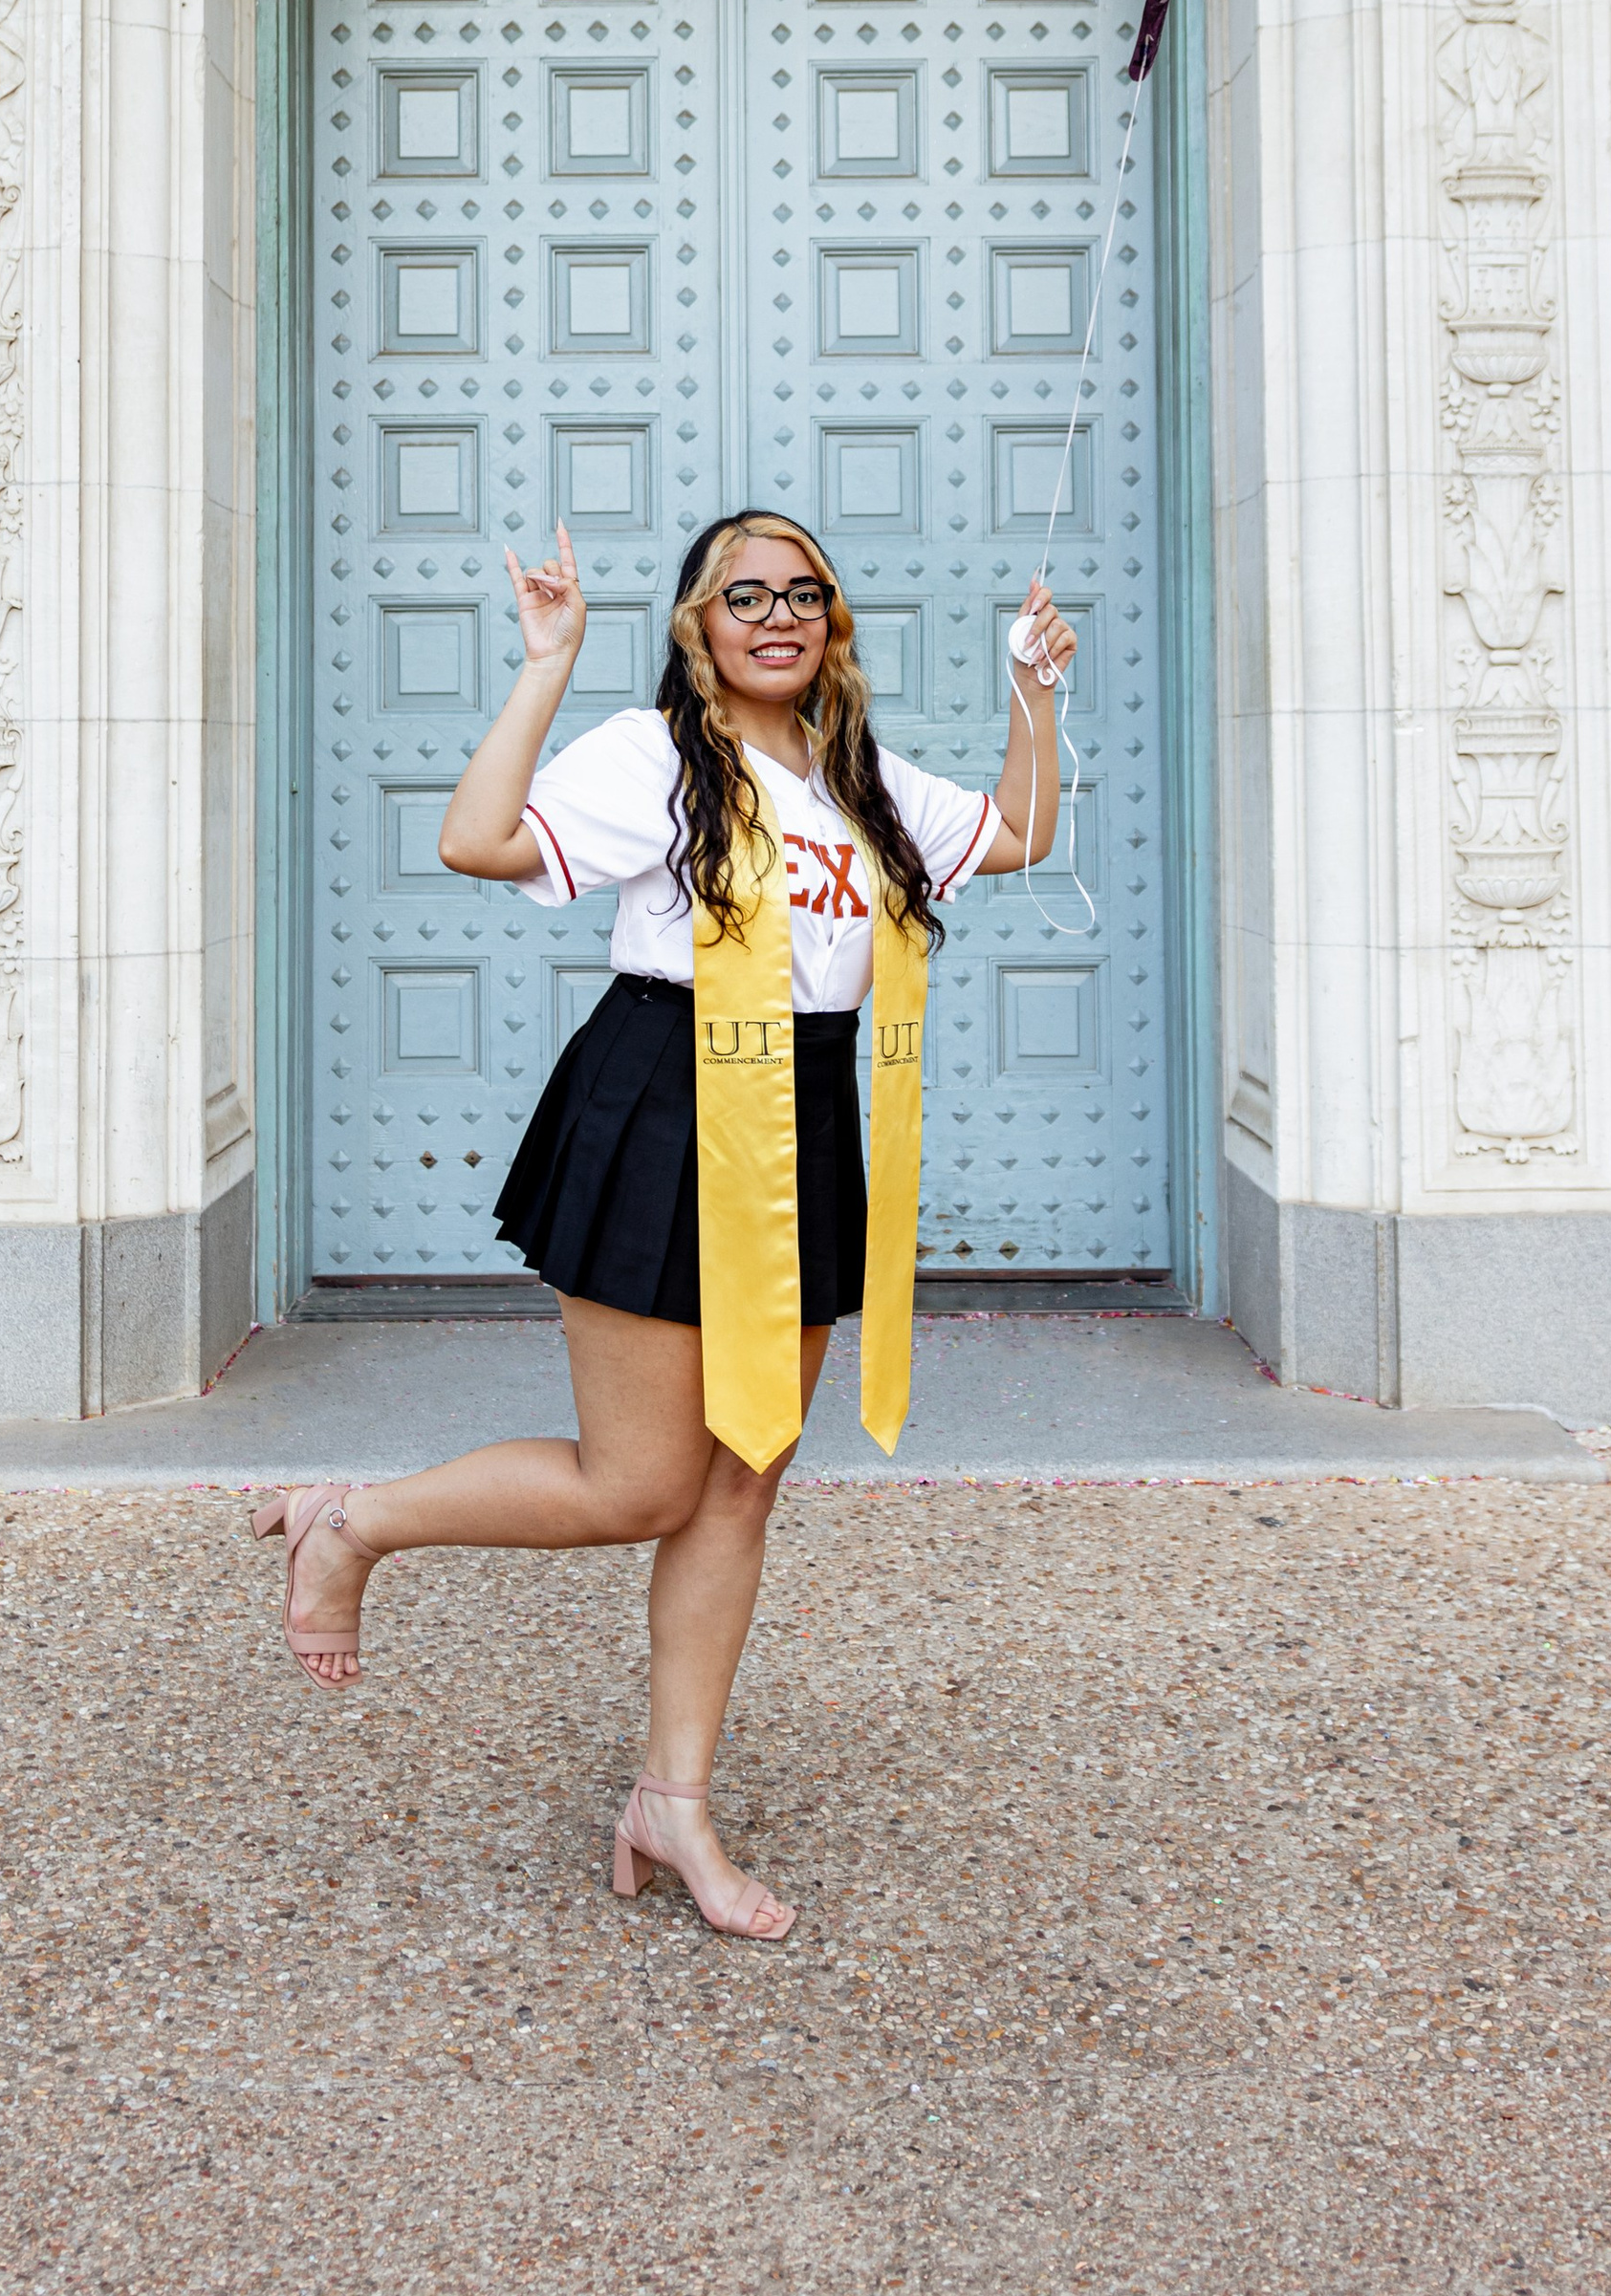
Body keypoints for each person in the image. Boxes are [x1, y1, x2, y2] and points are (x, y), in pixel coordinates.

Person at [251, 510, 1077, 1940]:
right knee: (638, 1483)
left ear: (833, 622)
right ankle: (353, 1521)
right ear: (698, 623)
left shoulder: (860, 777)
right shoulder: (656, 757)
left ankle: (671, 1800)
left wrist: (1034, 689)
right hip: (668, 1104)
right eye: (744, 594)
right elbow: (475, 840)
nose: (779, 613)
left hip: (807, 1118)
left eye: (804, 592)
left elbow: (1016, 834)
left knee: (743, 1480)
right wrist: (548, 661)